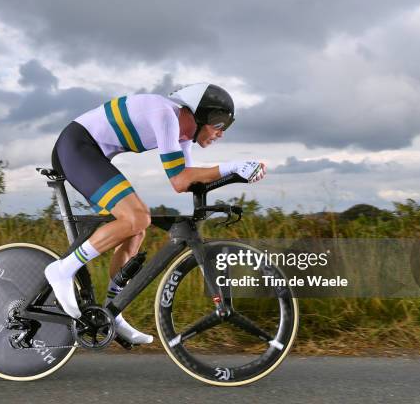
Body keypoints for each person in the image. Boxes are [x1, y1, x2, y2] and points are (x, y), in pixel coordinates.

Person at [45, 83, 266, 344]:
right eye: (219, 123)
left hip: (92, 153)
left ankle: (112, 312)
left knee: (135, 229)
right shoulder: (166, 116)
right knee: (136, 217)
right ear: (200, 115)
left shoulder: (184, 137)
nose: (221, 133)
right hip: (78, 145)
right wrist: (233, 166)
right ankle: (63, 270)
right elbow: (180, 178)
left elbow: (187, 182)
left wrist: (235, 176)